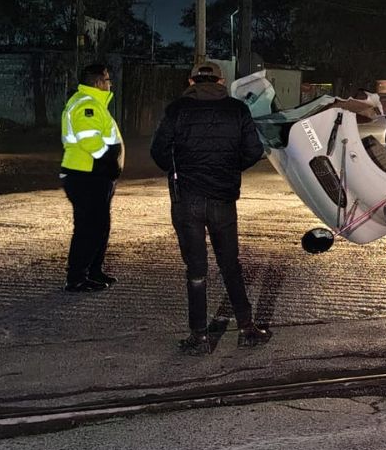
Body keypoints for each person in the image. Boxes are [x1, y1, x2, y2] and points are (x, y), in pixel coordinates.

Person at [150, 62, 270, 355]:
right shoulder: (237, 110)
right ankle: (246, 328)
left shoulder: (176, 110)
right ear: (221, 80)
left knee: (196, 269)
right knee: (230, 264)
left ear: (191, 80)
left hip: (187, 200)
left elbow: (159, 152)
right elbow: (255, 150)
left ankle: (199, 337)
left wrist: (182, 169)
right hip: (223, 199)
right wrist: (229, 168)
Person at [61, 63, 123, 292]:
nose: (110, 84)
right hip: (86, 176)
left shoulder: (94, 103)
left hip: (94, 175)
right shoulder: (87, 105)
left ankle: (93, 271)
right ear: (97, 82)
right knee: (88, 228)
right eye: (107, 80)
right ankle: (77, 277)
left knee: (100, 226)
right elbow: (89, 141)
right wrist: (108, 162)